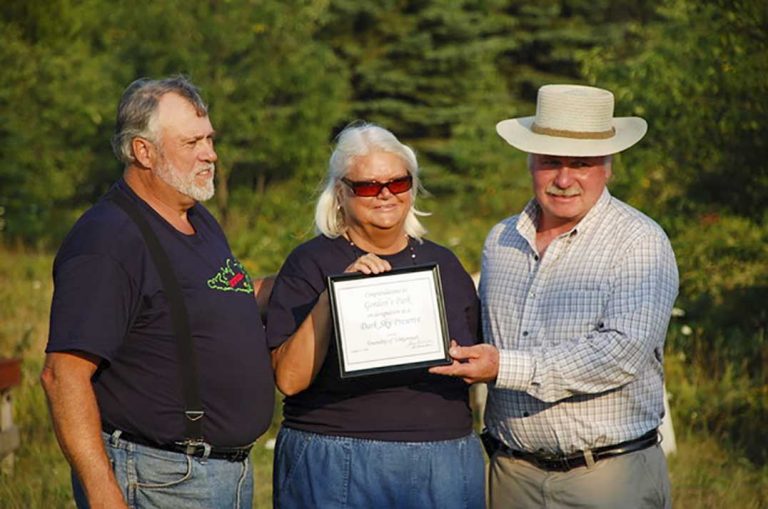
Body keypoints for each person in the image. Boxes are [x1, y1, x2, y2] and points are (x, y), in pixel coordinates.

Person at [430, 84, 679, 508]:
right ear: (530, 163)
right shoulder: (501, 240)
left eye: (581, 163)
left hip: (605, 480)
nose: (564, 180)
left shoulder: (639, 242)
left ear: (608, 166)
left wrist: (504, 367)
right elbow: (473, 328)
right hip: (511, 476)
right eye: (550, 163)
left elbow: (620, 353)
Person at [40, 76, 275, 509]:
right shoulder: (108, 241)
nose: (211, 154)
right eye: (192, 143)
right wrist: (102, 491)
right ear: (142, 151)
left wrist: (314, 281)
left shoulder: (196, 218)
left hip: (224, 476)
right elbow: (63, 375)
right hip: (161, 479)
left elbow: (230, 294)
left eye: (209, 139)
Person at [266, 122, 485, 508]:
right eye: (367, 186)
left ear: (411, 187)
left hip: (443, 460)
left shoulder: (444, 265)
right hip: (338, 456)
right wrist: (331, 298)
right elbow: (289, 379)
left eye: (398, 183)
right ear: (340, 194)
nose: (385, 194)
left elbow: (474, 357)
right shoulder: (310, 263)